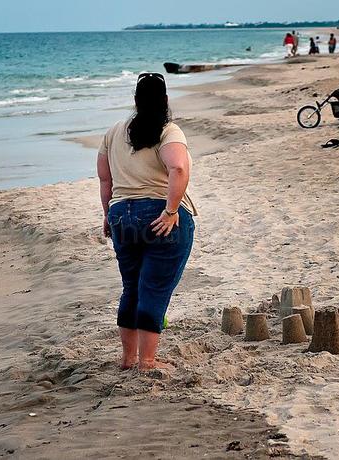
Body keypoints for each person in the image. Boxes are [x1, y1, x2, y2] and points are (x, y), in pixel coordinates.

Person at [97, 72, 196, 372]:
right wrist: (171, 210)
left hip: (121, 215)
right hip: (156, 215)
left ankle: (128, 358)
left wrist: (107, 215)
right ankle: (147, 361)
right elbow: (178, 167)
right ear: (165, 100)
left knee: (131, 288)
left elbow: (105, 178)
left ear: (136, 101)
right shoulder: (168, 130)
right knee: (153, 287)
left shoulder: (115, 131)